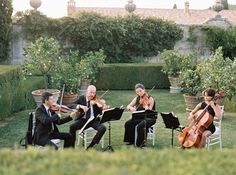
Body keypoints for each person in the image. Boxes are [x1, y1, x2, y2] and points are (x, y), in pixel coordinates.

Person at [70, 85, 107, 149]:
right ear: (87, 92)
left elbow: (101, 111)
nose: (92, 94)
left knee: (102, 128)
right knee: (72, 127)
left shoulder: (97, 100)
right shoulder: (82, 98)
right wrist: (80, 106)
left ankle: (90, 146)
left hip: (94, 120)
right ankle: (71, 147)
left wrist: (102, 107)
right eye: (91, 92)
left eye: (94, 93)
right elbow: (71, 105)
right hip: (84, 120)